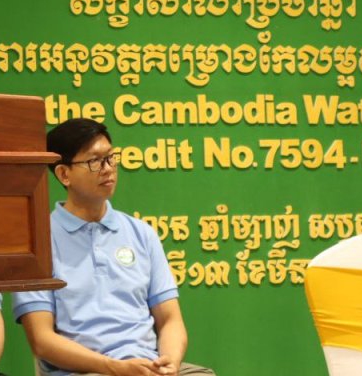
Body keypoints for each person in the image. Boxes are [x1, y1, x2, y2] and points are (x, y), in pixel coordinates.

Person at [13, 119, 215, 376]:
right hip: (85, 371)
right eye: (94, 161)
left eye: (110, 158)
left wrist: (169, 365)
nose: (107, 168)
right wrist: (115, 368)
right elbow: (42, 341)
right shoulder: (39, 242)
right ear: (64, 174)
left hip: (146, 366)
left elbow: (170, 320)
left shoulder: (142, 233)